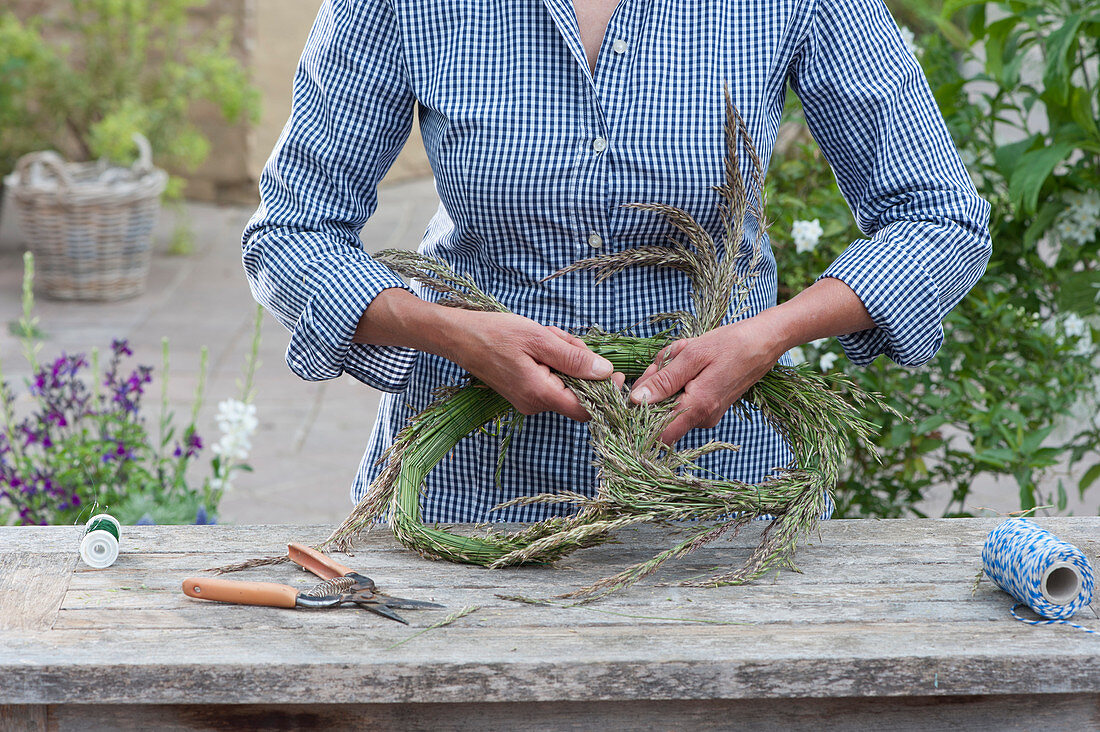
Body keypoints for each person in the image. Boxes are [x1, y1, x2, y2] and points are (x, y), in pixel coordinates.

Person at [242, 0, 991, 524]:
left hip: (724, 497)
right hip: (469, 493)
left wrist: (768, 335)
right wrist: (456, 334)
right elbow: (291, 232)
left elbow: (939, 218)